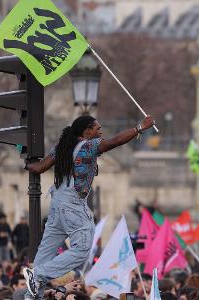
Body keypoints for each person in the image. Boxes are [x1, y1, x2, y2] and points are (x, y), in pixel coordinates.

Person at [22, 115, 155, 300]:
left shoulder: (61, 148)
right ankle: (37, 275)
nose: (100, 132)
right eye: (97, 128)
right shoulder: (89, 146)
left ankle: (32, 294)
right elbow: (115, 141)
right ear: (87, 131)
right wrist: (139, 128)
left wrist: (26, 164)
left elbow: (39, 167)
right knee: (82, 249)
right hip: (73, 205)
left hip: (56, 206)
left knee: (44, 253)